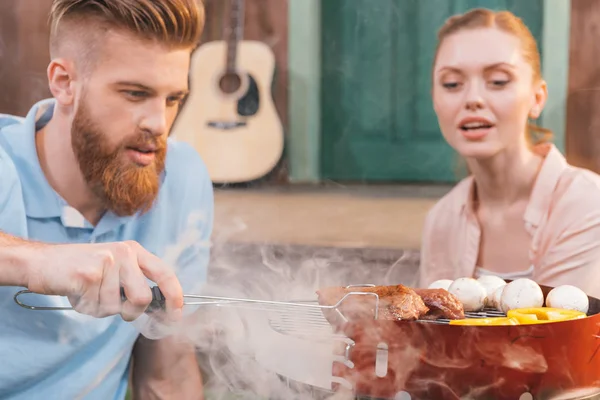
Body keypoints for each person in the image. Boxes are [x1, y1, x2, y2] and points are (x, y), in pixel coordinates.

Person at [0, 0, 212, 399]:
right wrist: (39, 259)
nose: (158, 123)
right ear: (64, 82)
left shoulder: (179, 176)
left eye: (172, 99)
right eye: (135, 94)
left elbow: (166, 375)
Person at [418, 8, 600, 299]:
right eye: (452, 84)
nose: (473, 99)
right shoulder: (442, 219)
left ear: (537, 98)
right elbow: (431, 334)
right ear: (435, 101)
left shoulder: (587, 205)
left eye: (498, 81)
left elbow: (559, 334)